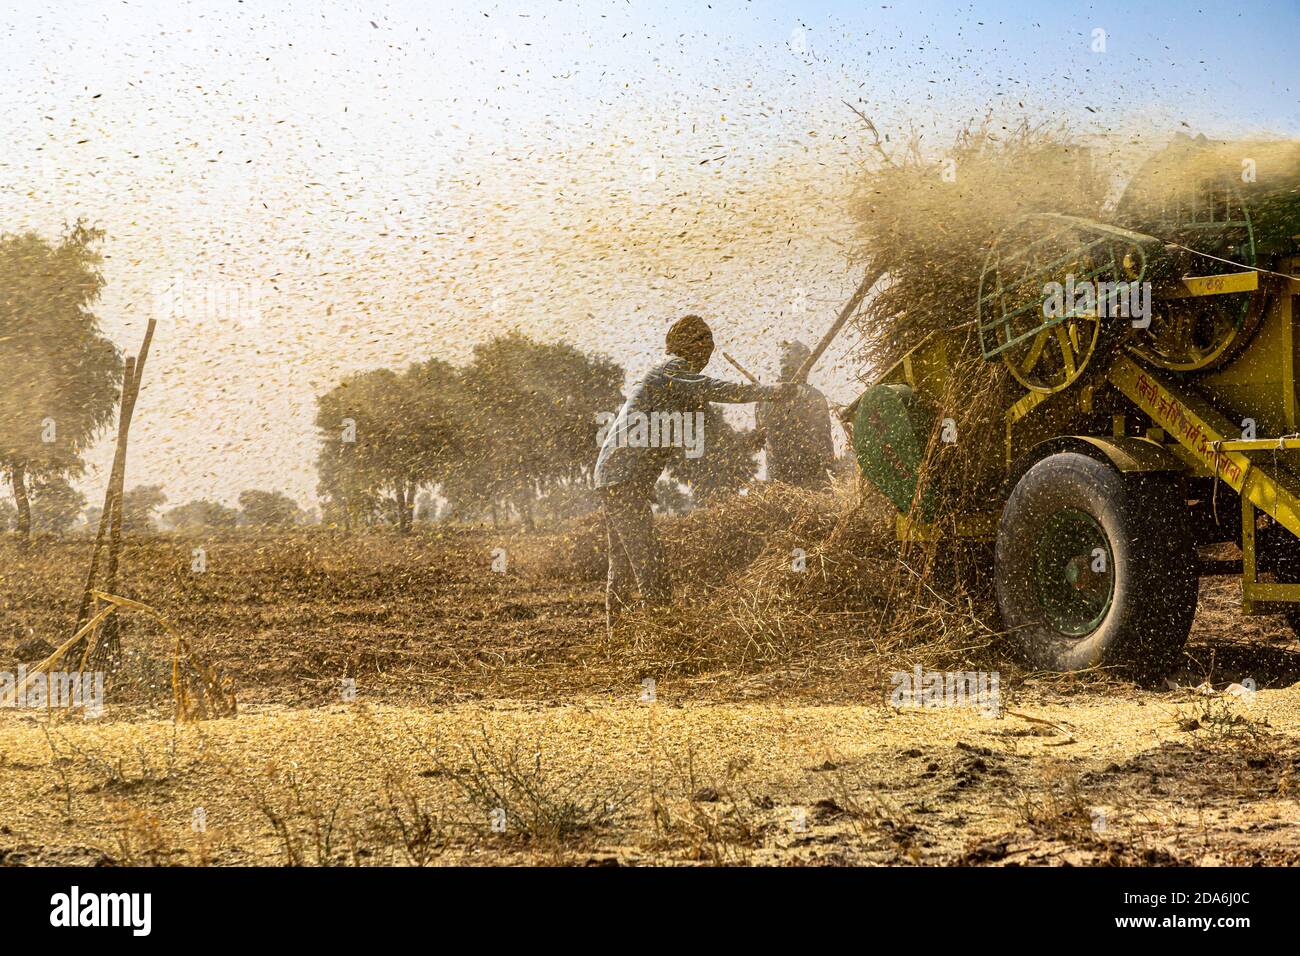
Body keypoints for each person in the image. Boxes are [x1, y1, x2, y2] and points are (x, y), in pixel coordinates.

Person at [594, 315, 795, 635]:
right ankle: (661, 635)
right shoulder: (671, 369)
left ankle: (615, 636)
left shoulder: (673, 384)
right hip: (622, 477)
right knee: (649, 561)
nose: (708, 353)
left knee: (623, 562)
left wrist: (747, 441)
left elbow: (699, 440)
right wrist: (769, 391)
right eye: (704, 344)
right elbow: (712, 388)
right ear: (688, 344)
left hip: (617, 476)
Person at [756, 340, 836, 490]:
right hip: (810, 477)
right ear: (803, 364)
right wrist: (833, 465)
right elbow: (823, 436)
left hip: (777, 480)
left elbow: (759, 437)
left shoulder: (764, 396)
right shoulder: (813, 395)